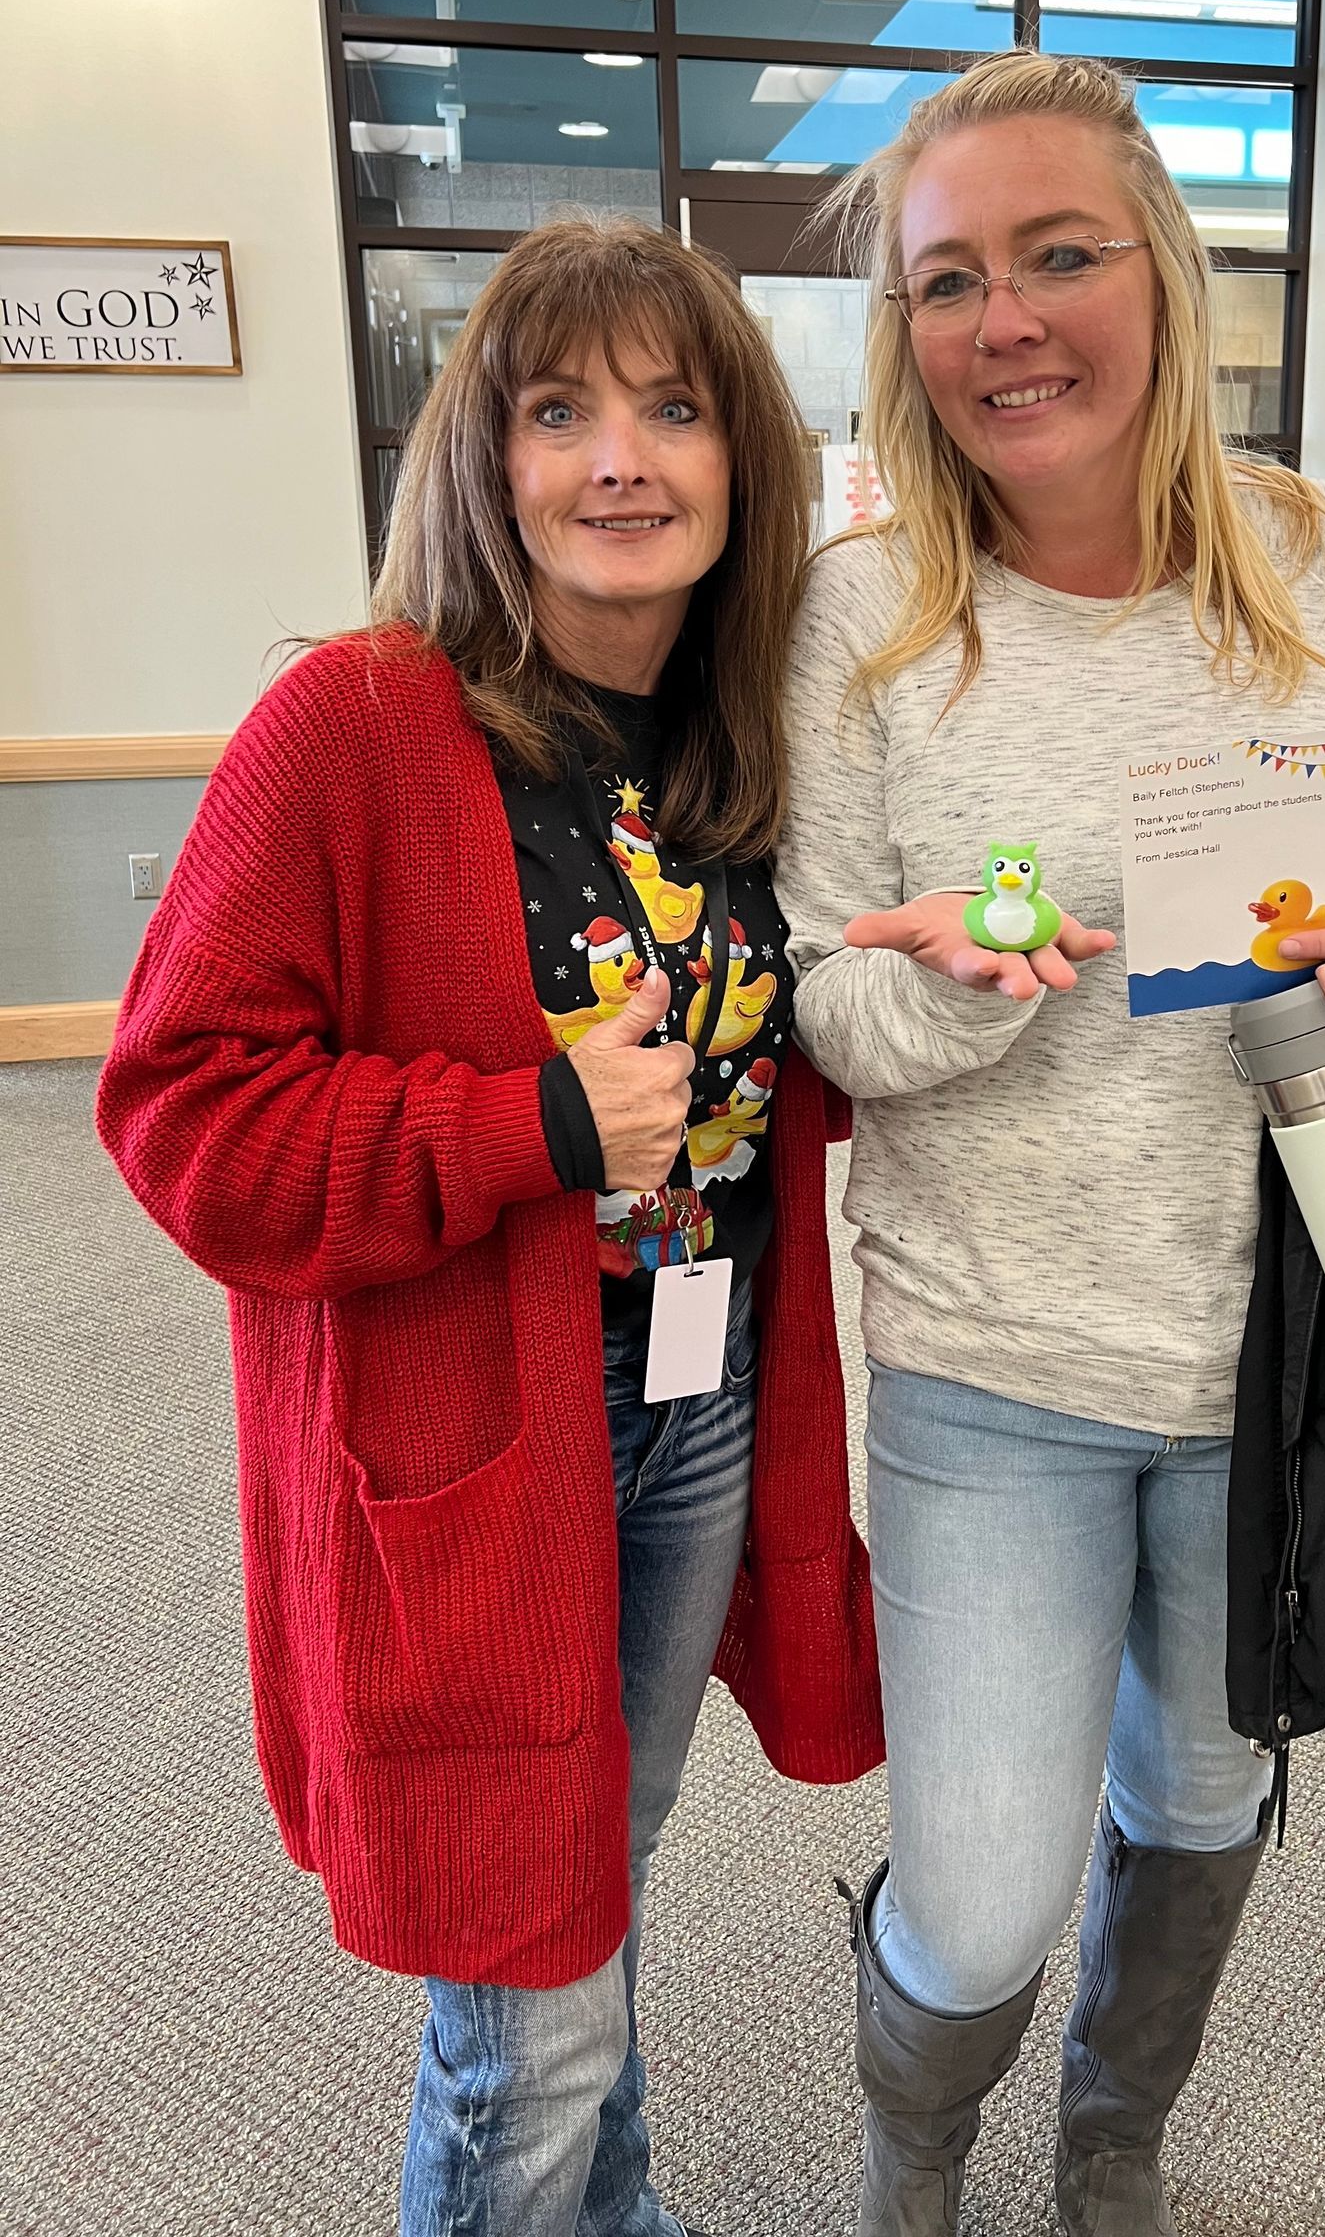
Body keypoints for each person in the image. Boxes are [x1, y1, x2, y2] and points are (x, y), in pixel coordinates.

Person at [777, 51, 1325, 2237]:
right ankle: (920, 2136)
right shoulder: (865, 619)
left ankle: (1115, 2133)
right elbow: (828, 995)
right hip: (993, 1359)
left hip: (1284, 1340)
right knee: (984, 1896)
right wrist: (955, 990)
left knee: (1199, 1793)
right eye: (948, 279)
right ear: (903, 330)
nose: (1007, 319)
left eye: (1059, 254)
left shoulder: (1323, 561)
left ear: (1165, 275)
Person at [97, 216, 881, 2237]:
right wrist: (525, 1119)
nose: (619, 458)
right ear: (488, 458)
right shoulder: (353, 728)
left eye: (672, 407)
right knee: (521, 2004)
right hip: (473, 1433)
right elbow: (182, 1113)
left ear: (742, 461)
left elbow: (779, 1068)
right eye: (559, 410)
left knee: (586, 1882)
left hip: (699, 1398)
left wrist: (909, 973)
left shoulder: (740, 747)